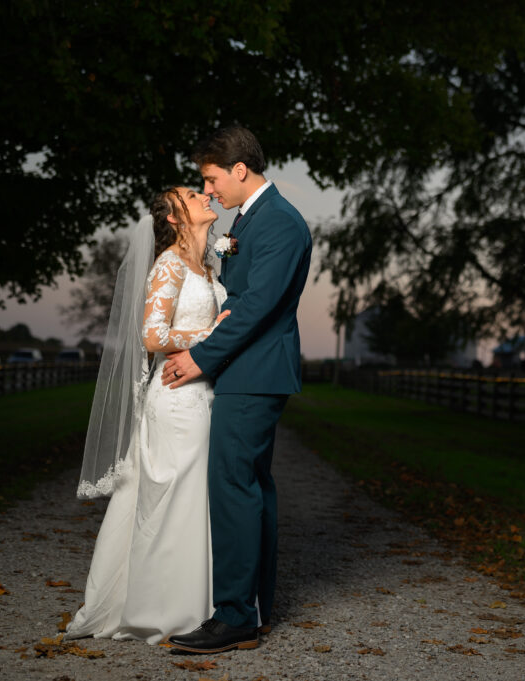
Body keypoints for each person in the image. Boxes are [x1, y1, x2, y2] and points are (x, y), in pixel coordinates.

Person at [162, 125, 312, 654]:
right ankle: (256, 609)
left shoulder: (281, 224)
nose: (209, 191)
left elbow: (254, 306)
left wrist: (199, 358)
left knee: (231, 486)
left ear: (240, 169)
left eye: (212, 177)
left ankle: (232, 617)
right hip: (246, 371)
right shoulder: (251, 219)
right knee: (252, 488)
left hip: (255, 373)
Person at [64, 186, 231, 644]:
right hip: (177, 398)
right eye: (193, 194)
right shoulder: (169, 265)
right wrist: (216, 331)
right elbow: (153, 337)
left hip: (205, 394)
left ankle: (206, 605)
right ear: (176, 218)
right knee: (173, 500)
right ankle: (165, 610)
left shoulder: (208, 265)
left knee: (200, 500)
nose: (205, 195)